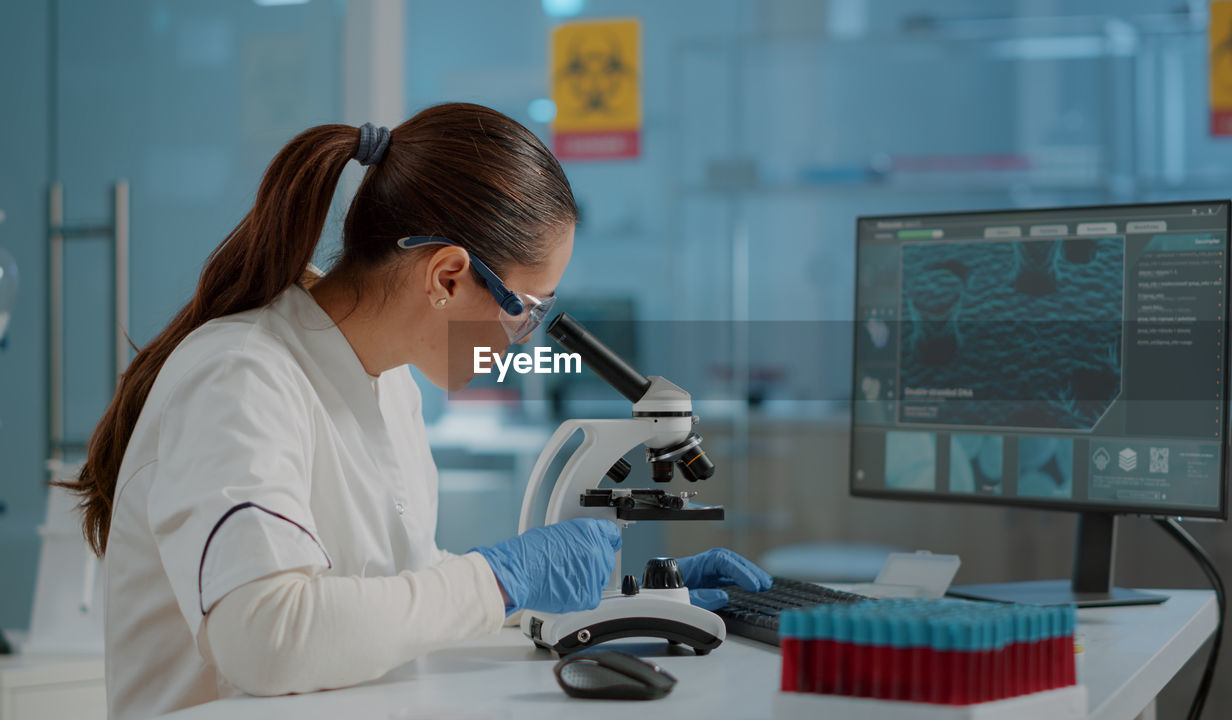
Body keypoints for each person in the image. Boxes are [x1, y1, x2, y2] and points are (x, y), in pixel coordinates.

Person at [56, 103, 771, 720]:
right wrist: (499, 578)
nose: (523, 338)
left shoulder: (386, 382)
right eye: (525, 311)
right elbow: (266, 637)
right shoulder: (240, 376)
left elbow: (394, 613)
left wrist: (620, 607)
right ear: (447, 275)